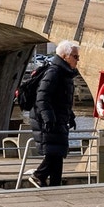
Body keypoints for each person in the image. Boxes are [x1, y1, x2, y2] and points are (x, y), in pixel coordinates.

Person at [30, 40, 81, 187]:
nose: (77, 60)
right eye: (75, 57)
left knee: (58, 152)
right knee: (54, 152)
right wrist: (48, 117)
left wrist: (70, 115)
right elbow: (42, 97)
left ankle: (55, 184)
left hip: (59, 118)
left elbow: (60, 99)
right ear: (65, 56)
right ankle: (38, 175)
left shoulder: (64, 73)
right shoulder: (54, 72)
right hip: (50, 120)